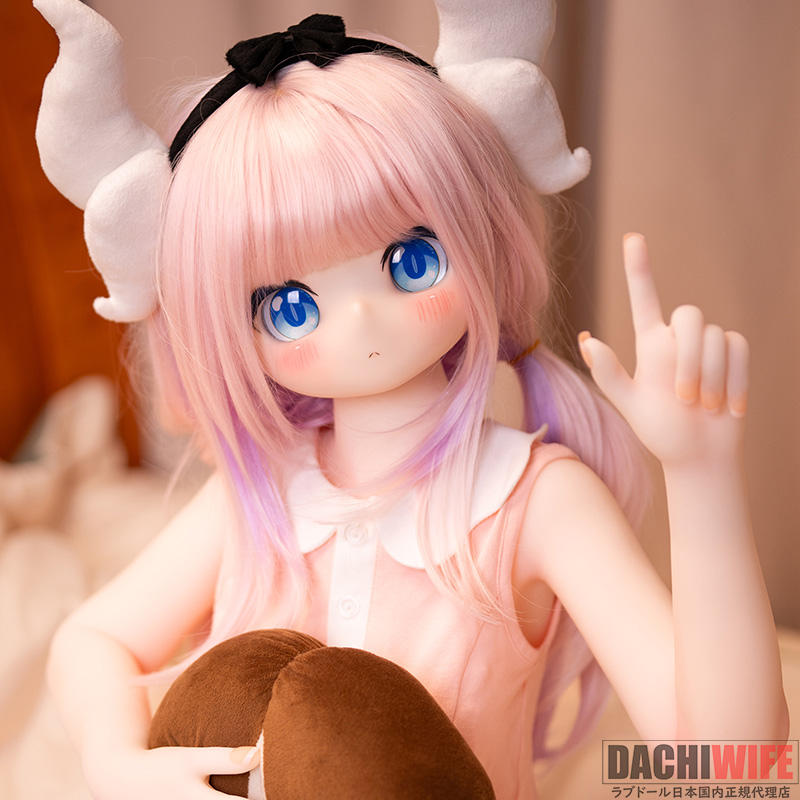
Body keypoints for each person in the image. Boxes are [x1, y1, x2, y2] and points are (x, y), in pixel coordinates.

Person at [38, 3, 788, 799]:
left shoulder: (533, 501)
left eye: (410, 261)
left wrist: (701, 476)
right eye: (289, 306)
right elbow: (91, 639)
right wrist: (116, 759)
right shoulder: (264, 492)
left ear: (480, 231)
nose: (362, 320)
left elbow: (724, 758)